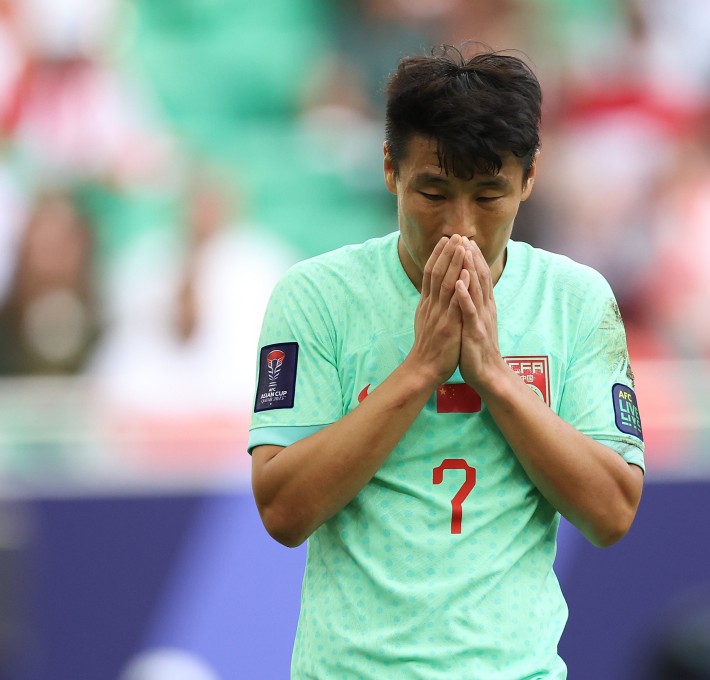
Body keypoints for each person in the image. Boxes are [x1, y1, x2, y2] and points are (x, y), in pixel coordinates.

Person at [248, 44, 645, 679]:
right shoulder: (316, 297)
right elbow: (283, 511)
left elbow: (612, 512)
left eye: (489, 197)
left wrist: (493, 375)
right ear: (389, 170)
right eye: (433, 191)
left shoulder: (575, 300)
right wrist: (419, 371)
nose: (459, 227)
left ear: (530, 179)